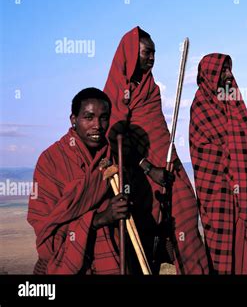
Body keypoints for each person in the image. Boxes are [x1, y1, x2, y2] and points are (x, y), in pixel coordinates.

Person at [103, 26, 208, 274]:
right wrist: (149, 168)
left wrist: (163, 166)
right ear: (130, 53)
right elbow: (115, 136)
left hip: (169, 163)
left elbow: (157, 130)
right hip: (138, 173)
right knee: (145, 229)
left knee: (186, 209)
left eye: (154, 53)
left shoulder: (151, 87)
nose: (152, 58)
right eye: (146, 53)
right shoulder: (117, 88)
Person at [27, 87, 129, 274]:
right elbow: (46, 230)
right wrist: (99, 219)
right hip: (62, 261)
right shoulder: (51, 160)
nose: (97, 125)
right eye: (88, 117)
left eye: (103, 117)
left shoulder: (113, 157)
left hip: (109, 255)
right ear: (73, 120)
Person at [189, 53, 247, 274]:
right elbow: (207, 154)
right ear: (209, 75)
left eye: (229, 69)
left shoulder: (234, 103)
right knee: (224, 249)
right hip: (218, 194)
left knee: (246, 247)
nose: (228, 75)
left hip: (244, 190)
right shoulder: (201, 106)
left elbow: (242, 145)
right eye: (222, 70)